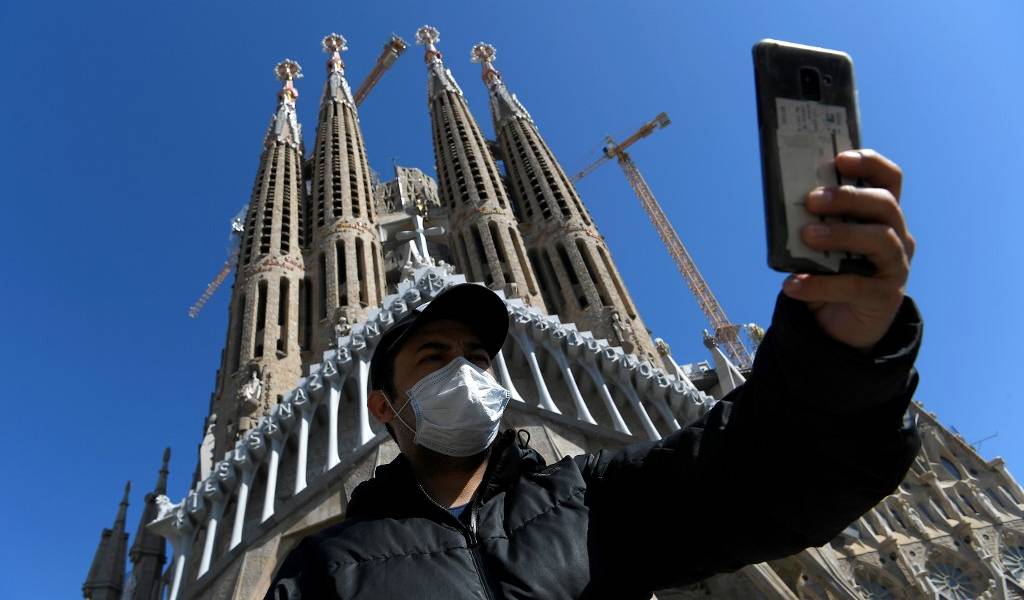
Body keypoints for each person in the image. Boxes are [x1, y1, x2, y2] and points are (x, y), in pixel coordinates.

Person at [265, 149, 921, 599]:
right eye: (434, 357)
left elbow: (768, 472)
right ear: (384, 406)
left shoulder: (590, 500)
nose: (463, 373)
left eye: (478, 359)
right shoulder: (327, 567)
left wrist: (845, 347)